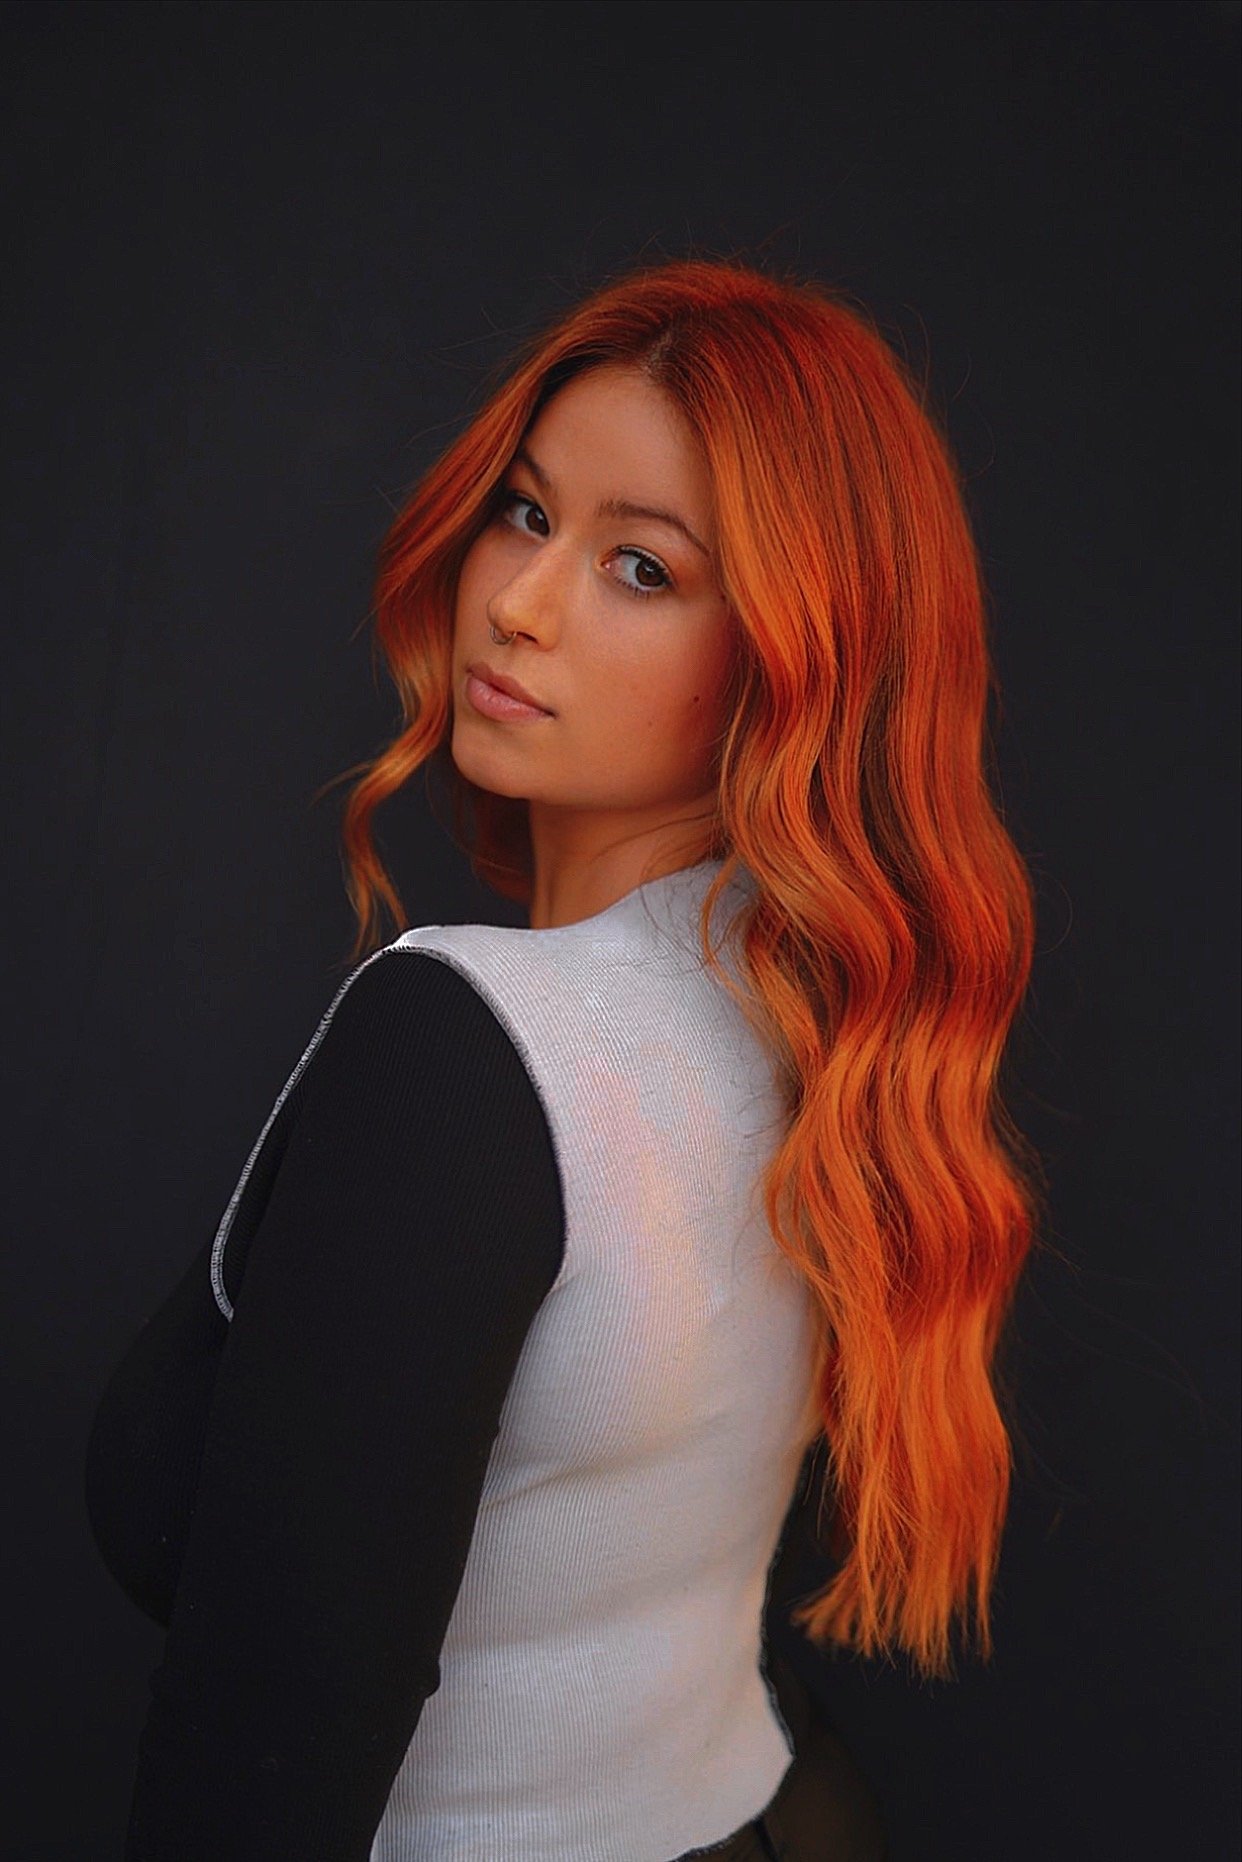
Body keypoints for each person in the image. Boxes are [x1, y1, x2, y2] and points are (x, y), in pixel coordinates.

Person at [85, 255, 1041, 1860]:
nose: (518, 600)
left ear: (797, 658)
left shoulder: (466, 1048)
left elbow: (252, 1789)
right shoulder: (841, 1033)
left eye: (642, 569)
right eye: (525, 513)